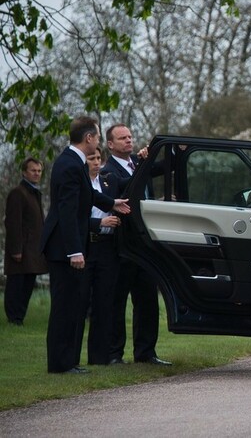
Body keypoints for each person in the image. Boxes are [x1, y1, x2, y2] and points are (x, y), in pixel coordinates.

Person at [41, 116, 130, 374]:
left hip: (66, 247)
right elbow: (67, 212)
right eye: (99, 137)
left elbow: (87, 195)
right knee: (65, 307)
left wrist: (112, 203)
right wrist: (75, 250)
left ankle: (67, 361)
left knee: (71, 306)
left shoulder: (73, 162)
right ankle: (60, 364)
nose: (99, 141)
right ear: (89, 138)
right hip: (63, 249)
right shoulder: (69, 165)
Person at [102, 123, 171, 366]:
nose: (129, 141)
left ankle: (145, 352)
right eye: (122, 138)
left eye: (130, 137)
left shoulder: (138, 163)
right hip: (121, 246)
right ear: (110, 144)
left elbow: (165, 168)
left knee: (147, 300)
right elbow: (126, 188)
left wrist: (176, 150)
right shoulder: (107, 170)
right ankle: (113, 354)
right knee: (117, 301)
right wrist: (143, 164)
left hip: (145, 244)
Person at [76, 147, 123, 365]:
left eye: (98, 158)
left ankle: (100, 358)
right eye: (91, 158)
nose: (95, 162)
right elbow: (71, 218)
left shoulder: (108, 181)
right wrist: (99, 223)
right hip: (86, 247)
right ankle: (72, 358)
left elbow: (133, 183)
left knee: (105, 303)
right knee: (81, 301)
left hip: (106, 248)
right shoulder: (78, 184)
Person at [4, 158, 48, 325]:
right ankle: (13, 318)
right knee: (16, 284)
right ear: (24, 172)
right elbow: (13, 223)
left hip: (32, 250)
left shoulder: (34, 193)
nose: (37, 173)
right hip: (21, 250)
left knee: (28, 283)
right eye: (33, 170)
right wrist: (16, 249)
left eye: (39, 170)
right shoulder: (18, 193)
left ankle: (19, 317)